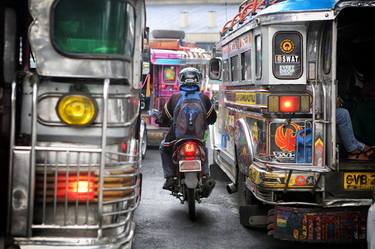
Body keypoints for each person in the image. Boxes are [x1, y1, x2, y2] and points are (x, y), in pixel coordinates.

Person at [156, 67, 217, 189]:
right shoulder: (204, 98)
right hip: (198, 138)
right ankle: (205, 175)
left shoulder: (175, 98)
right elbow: (212, 118)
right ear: (198, 80)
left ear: (181, 80)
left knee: (163, 147)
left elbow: (164, 118)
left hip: (177, 138)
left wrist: (160, 120)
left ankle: (169, 177)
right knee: (204, 148)